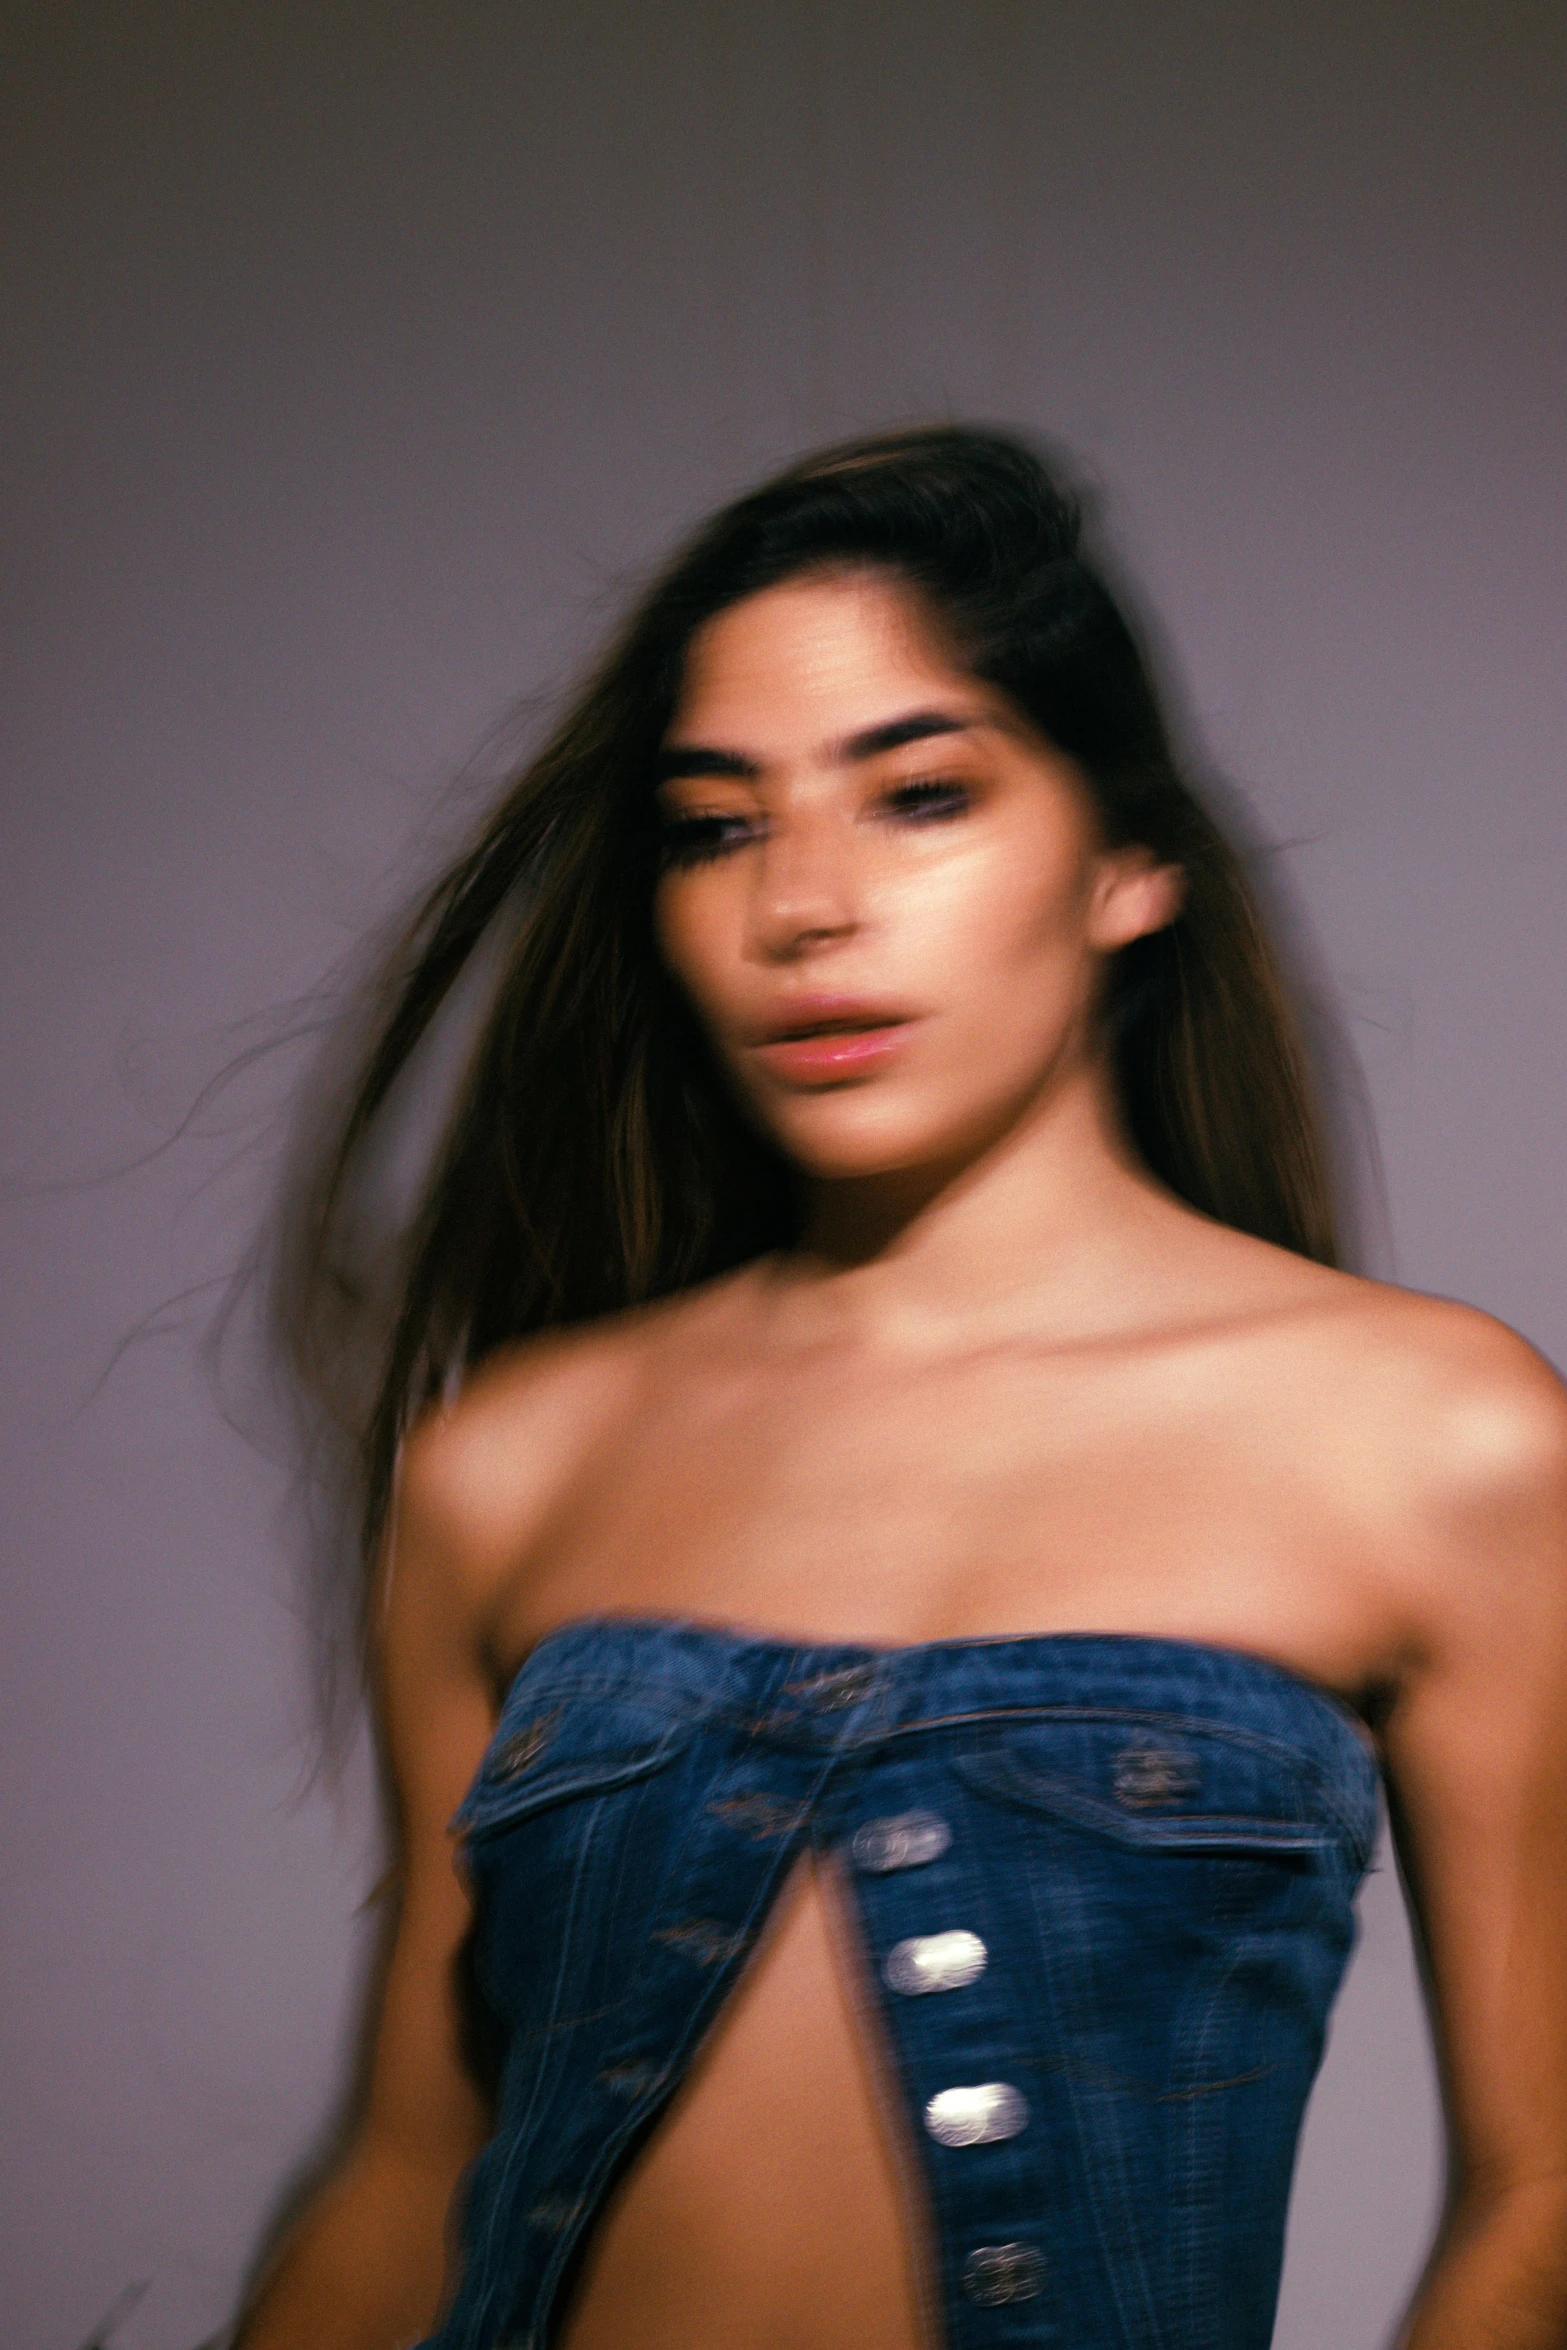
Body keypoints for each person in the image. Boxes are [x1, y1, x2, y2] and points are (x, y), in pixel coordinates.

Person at [234, 427, 1567, 2350]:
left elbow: (1543, 2195)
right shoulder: (516, 1462)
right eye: (715, 823)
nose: (802, 906)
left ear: (1125, 862)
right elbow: (400, 2171)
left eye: (917, 796)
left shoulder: (1436, 1441)